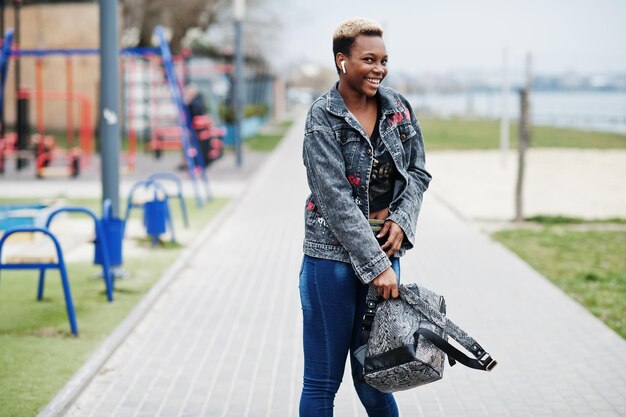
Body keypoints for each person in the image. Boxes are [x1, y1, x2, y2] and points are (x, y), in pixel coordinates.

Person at [299, 17, 432, 416]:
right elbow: (334, 199)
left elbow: (419, 172)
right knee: (323, 382)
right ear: (342, 61)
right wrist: (378, 267)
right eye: (368, 59)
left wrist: (403, 221)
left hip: (386, 256)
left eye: (384, 60)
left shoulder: (398, 109)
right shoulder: (322, 117)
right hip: (330, 259)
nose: (379, 69)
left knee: (376, 377)